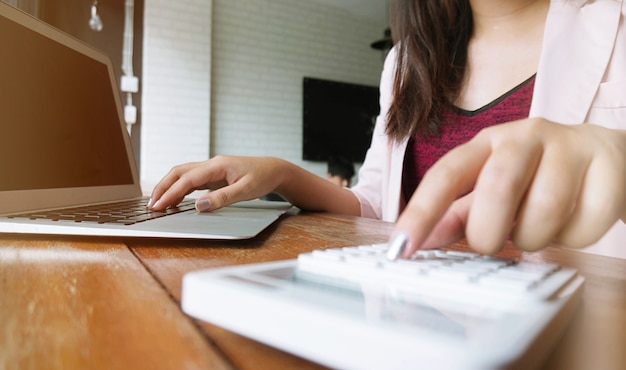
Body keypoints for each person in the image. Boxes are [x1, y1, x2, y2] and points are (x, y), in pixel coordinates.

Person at [148, 0, 626, 259]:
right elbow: (378, 204)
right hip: (414, 308)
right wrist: (282, 175)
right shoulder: (404, 63)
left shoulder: (616, 26)